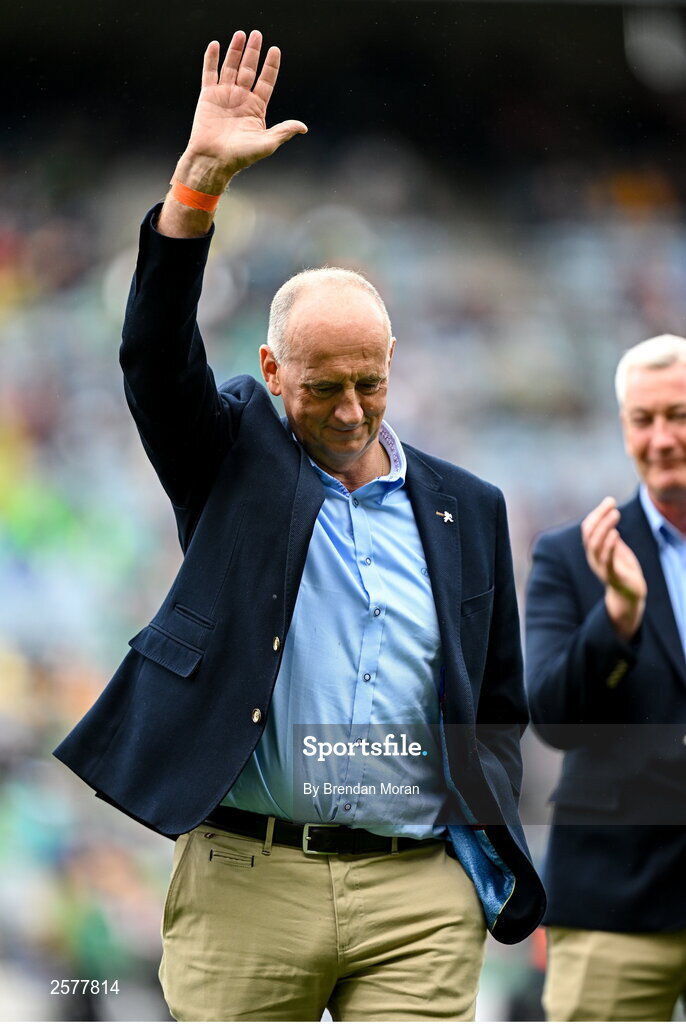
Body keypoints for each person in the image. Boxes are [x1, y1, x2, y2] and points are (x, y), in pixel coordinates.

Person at [54, 30, 545, 1022]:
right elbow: (153, 356)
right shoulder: (231, 458)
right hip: (249, 883)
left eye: (370, 380)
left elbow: (492, 704)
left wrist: (462, 865)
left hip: (415, 897)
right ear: (274, 374)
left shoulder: (469, 508)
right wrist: (196, 186)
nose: (354, 409)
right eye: (324, 387)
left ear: (395, 360)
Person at [526, 333, 686, 1022]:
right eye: (643, 420)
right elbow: (554, 716)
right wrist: (616, 618)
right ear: (624, 428)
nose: (661, 438)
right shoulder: (573, 555)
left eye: (678, 415)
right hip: (612, 905)